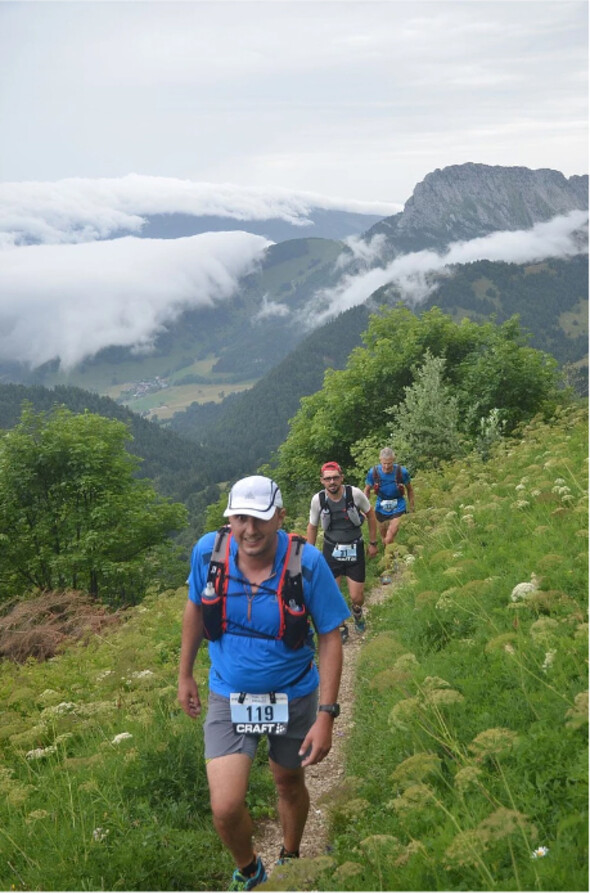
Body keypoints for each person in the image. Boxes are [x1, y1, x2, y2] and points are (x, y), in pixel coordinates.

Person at [178, 475, 349, 891]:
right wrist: (184, 674)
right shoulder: (209, 552)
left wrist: (326, 714)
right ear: (229, 519)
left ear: (279, 517)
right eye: (240, 518)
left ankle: (290, 854)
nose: (250, 529)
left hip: (293, 695)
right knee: (225, 805)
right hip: (228, 694)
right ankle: (250, 869)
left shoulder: (306, 564)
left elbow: (329, 636)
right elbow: (196, 609)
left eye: (260, 518)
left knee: (288, 781)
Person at [306, 461, 378, 642]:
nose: (332, 482)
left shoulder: (355, 494)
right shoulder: (318, 500)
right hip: (331, 550)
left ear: (342, 478)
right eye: (328, 479)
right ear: (322, 481)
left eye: (335, 478)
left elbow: (370, 515)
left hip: (355, 547)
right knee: (332, 593)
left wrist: (373, 542)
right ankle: (341, 626)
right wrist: (309, 553)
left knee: (356, 596)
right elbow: (312, 526)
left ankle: (357, 612)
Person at [364, 448, 414, 554]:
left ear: (394, 460)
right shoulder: (373, 472)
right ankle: (391, 560)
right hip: (381, 506)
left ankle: (390, 564)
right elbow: (367, 490)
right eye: (384, 463)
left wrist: (412, 508)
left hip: (398, 505)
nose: (386, 466)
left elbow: (410, 489)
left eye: (389, 463)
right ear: (380, 460)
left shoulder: (402, 472)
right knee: (384, 539)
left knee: (389, 538)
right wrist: (364, 508)